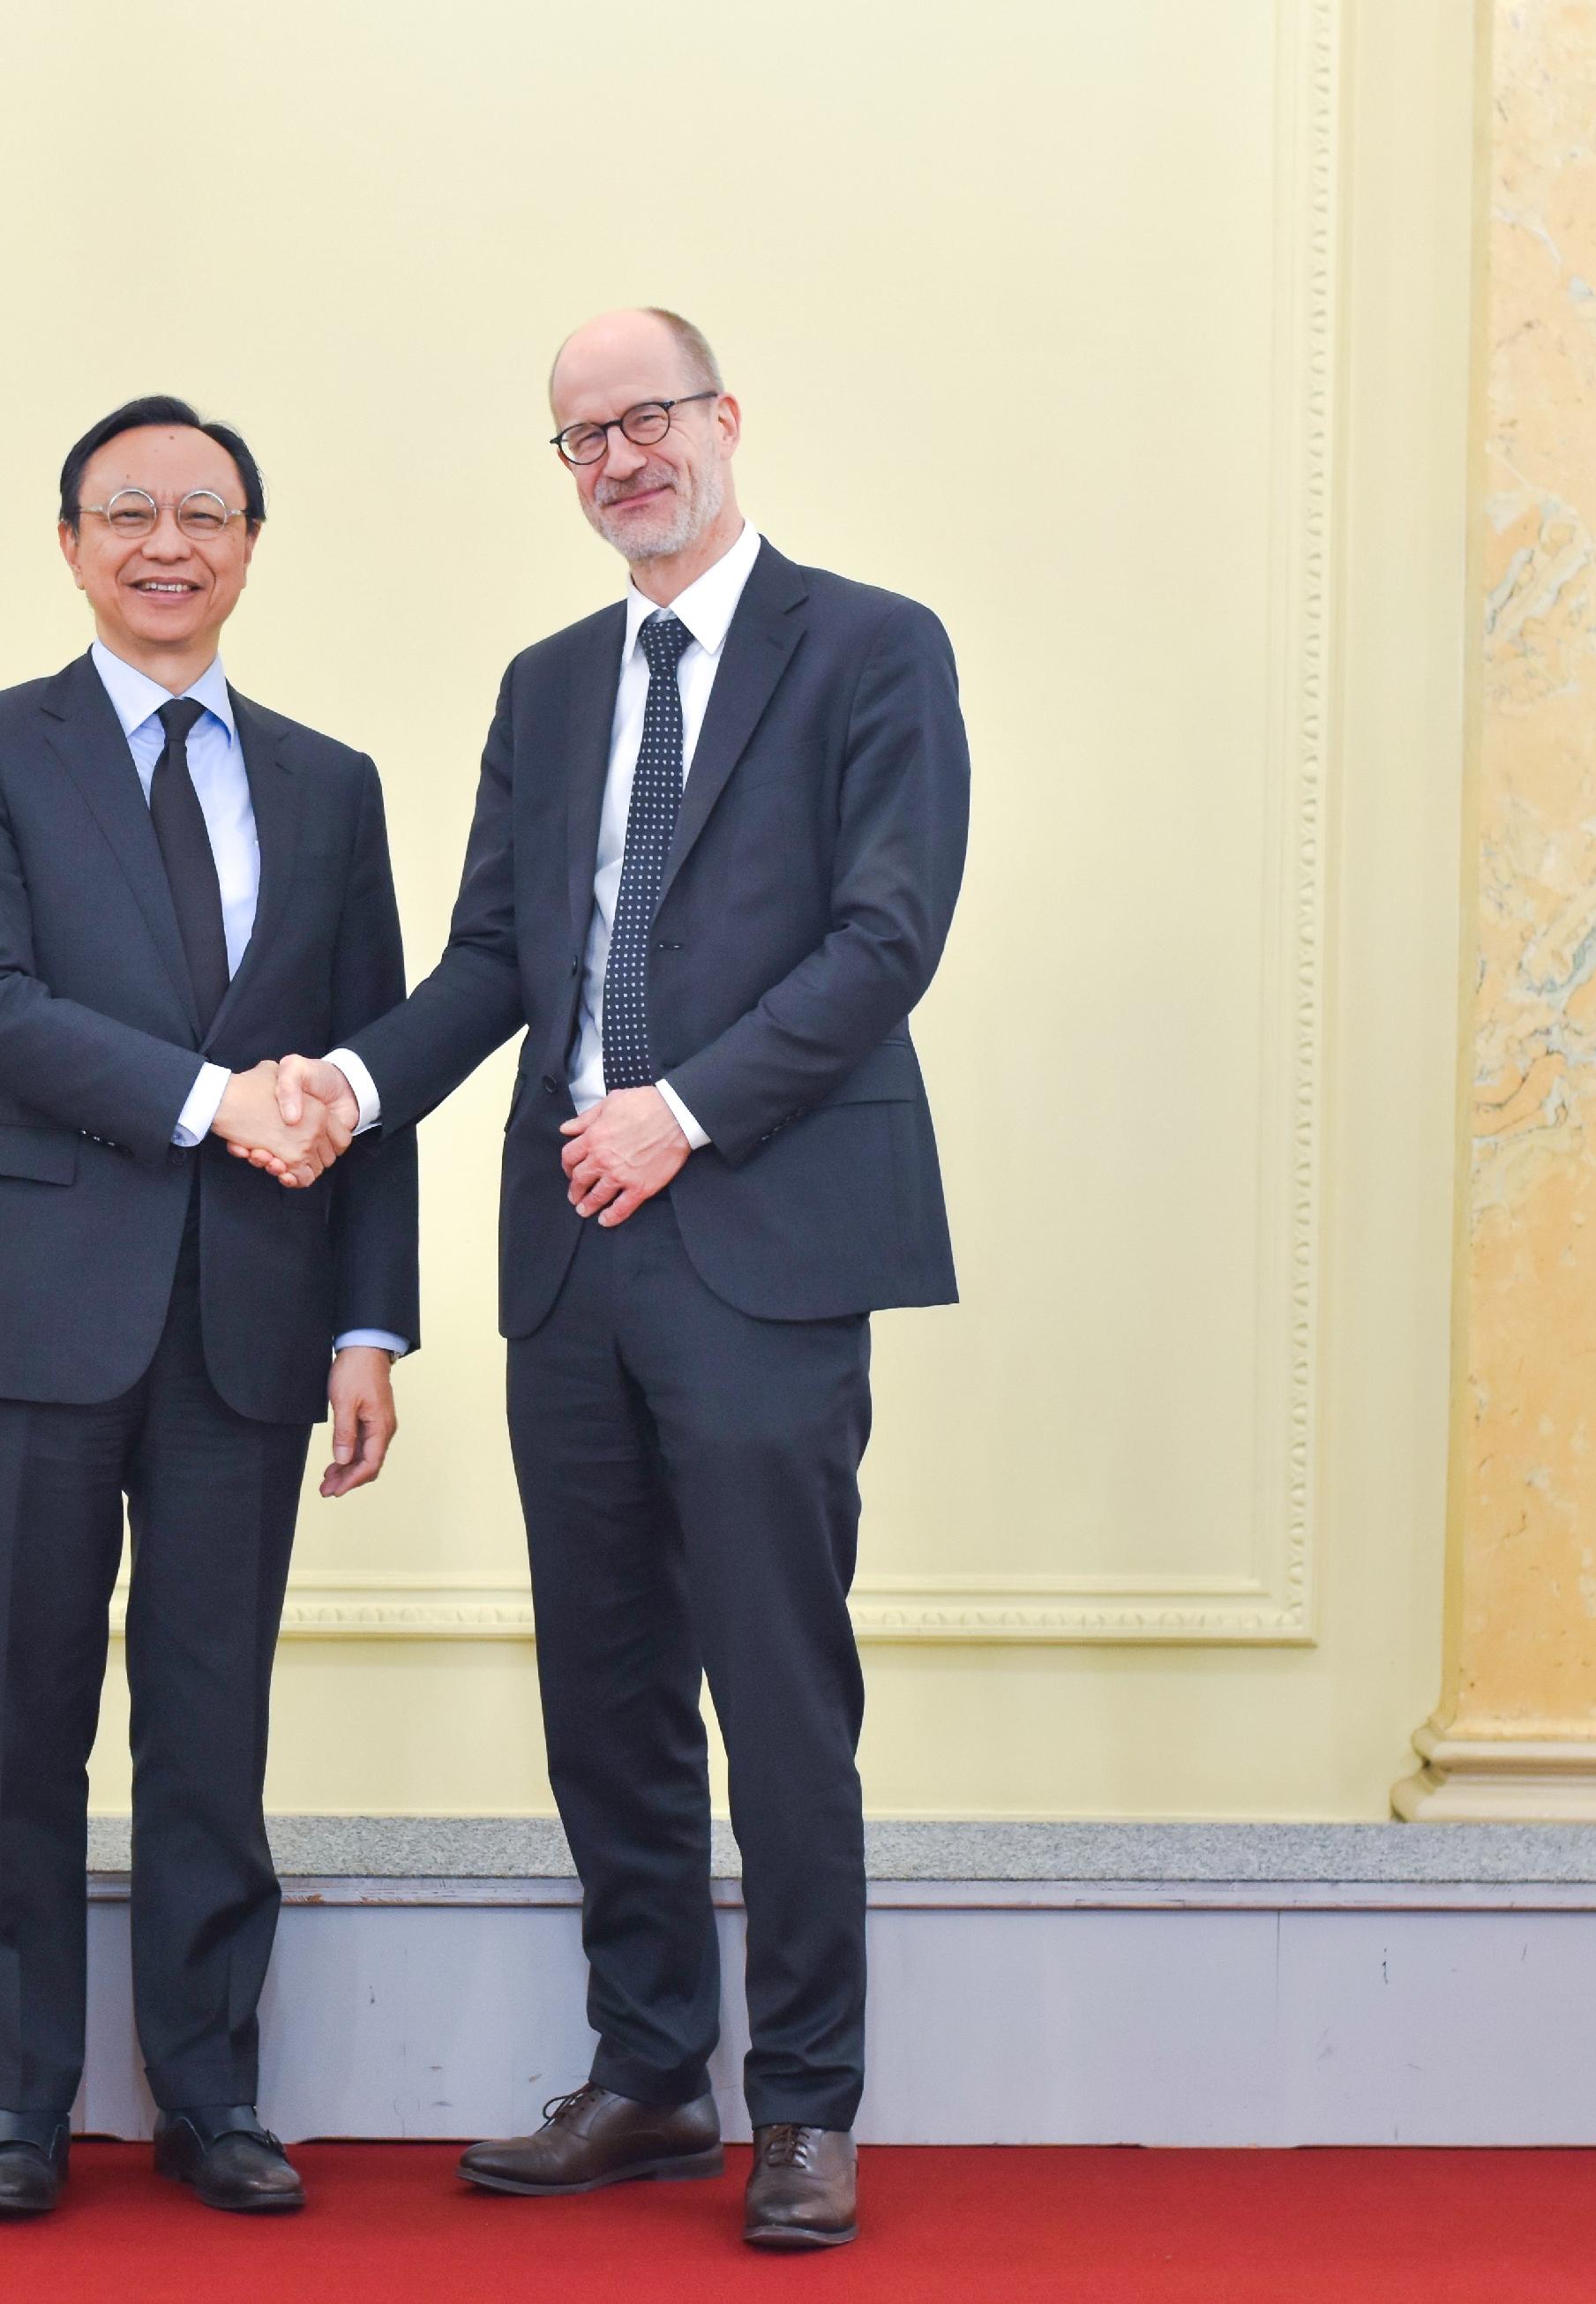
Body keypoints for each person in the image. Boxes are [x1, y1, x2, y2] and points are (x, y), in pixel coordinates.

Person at [267, 310, 969, 2251]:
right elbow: (496, 956)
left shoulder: (870, 647)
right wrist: (343, 1083)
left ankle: (808, 2109)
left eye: (643, 418)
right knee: (605, 1697)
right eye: (576, 439)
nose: (615, 460)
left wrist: (686, 1108)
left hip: (758, 1241)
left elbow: (882, 933)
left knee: (776, 1687)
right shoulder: (550, 682)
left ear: (724, 420)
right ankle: (654, 2073)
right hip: (569, 1263)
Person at [0, 394, 418, 2220]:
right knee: (23, 1714)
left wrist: (369, 1327)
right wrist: (213, 1102)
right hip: (35, 1308)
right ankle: (19, 2103)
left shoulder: (332, 782)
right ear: (68, 543)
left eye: (203, 510)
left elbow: (370, 1078)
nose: (165, 542)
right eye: (127, 511)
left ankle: (208, 2096)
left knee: (214, 1717)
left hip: (251, 1327)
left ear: (250, 546)